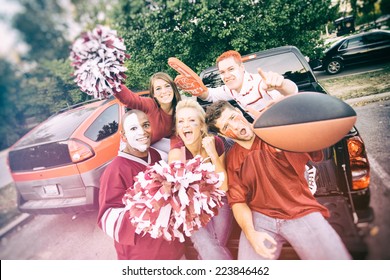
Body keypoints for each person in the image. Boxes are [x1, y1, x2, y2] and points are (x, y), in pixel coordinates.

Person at [205, 100, 351, 260]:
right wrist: (251, 233)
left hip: (300, 210)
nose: (233, 126)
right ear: (222, 134)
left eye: (233, 117)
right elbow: (238, 202)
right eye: (226, 126)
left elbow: (313, 132)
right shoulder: (233, 158)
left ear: (240, 112)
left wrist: (281, 130)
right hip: (261, 218)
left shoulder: (275, 133)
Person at [97, 109, 185, 260]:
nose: (142, 132)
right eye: (133, 128)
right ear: (124, 137)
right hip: (142, 256)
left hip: (171, 248)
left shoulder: (155, 155)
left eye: (145, 125)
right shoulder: (115, 170)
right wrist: (147, 207)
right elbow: (107, 218)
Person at [168, 99, 233, 260]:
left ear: (202, 126)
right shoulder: (177, 154)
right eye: (181, 121)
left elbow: (224, 186)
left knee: (213, 243)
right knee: (206, 243)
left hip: (219, 199)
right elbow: (178, 199)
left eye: (192, 120)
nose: (186, 125)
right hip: (191, 207)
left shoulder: (216, 143)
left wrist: (212, 154)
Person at [170, 50, 298, 119]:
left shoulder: (260, 83)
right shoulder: (230, 89)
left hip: (286, 128)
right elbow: (209, 96)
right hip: (265, 131)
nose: (226, 76)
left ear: (242, 67)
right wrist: (195, 88)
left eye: (231, 69)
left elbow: (291, 94)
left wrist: (282, 85)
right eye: (222, 72)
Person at [114, 72, 182, 158]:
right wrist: (112, 82)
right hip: (133, 145)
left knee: (179, 151)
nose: (164, 91)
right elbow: (129, 99)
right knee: (163, 157)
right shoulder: (150, 105)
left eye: (167, 86)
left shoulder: (178, 110)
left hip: (151, 142)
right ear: (154, 94)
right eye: (158, 89)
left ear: (173, 88)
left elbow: (176, 136)